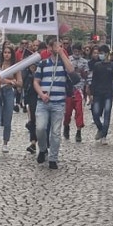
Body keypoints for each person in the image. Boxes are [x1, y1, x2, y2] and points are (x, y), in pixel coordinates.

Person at [34, 36, 75, 169]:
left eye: (59, 46)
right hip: (43, 103)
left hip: (58, 103)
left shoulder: (63, 62)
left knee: (56, 132)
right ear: (49, 47)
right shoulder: (43, 63)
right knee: (40, 128)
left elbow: (71, 70)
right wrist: (41, 94)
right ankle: (43, 148)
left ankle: (53, 158)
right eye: (55, 46)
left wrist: (62, 53)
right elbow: (36, 81)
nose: (57, 48)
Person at [0, 44, 20, 154]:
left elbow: (20, 82)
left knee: (7, 120)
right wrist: (8, 80)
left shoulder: (15, 67)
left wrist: (13, 82)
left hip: (9, 93)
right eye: (5, 52)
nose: (6, 55)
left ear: (12, 54)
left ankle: (5, 143)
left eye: (9, 53)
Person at [88, 45, 113, 145]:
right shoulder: (97, 65)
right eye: (100, 53)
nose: (101, 55)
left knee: (107, 114)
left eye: (102, 53)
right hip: (97, 93)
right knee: (95, 114)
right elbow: (93, 80)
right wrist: (91, 93)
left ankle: (104, 135)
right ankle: (100, 129)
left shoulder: (112, 65)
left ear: (107, 54)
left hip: (108, 93)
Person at [63, 43, 88, 142]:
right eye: (75, 51)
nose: (76, 53)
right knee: (67, 111)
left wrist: (82, 72)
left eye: (78, 51)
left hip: (79, 89)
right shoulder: (68, 60)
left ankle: (78, 131)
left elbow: (86, 76)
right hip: (69, 88)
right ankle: (66, 126)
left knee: (79, 111)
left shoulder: (84, 62)